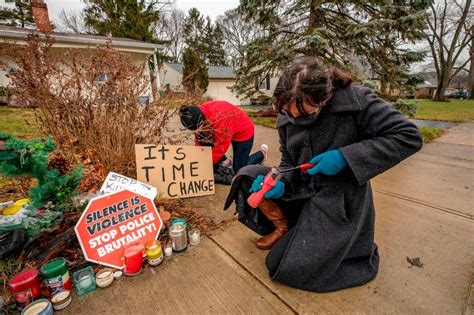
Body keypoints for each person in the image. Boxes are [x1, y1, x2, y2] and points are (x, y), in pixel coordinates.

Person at [224, 57, 423, 292]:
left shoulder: (358, 102)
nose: (294, 120)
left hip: (337, 197)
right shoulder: (287, 115)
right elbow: (288, 161)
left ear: (325, 99)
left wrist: (345, 157)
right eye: (288, 114)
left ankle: (327, 240)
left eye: (304, 115)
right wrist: (280, 183)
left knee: (281, 265)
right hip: (303, 188)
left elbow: (409, 136)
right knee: (246, 175)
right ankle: (287, 227)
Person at [179, 100, 268, 184]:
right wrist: (198, 156)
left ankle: (261, 154)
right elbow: (200, 139)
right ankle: (225, 161)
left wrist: (204, 164)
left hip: (243, 133)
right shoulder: (195, 113)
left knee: (239, 170)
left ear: (201, 120)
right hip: (227, 128)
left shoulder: (220, 118)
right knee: (204, 139)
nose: (197, 130)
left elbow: (220, 147)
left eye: (198, 127)